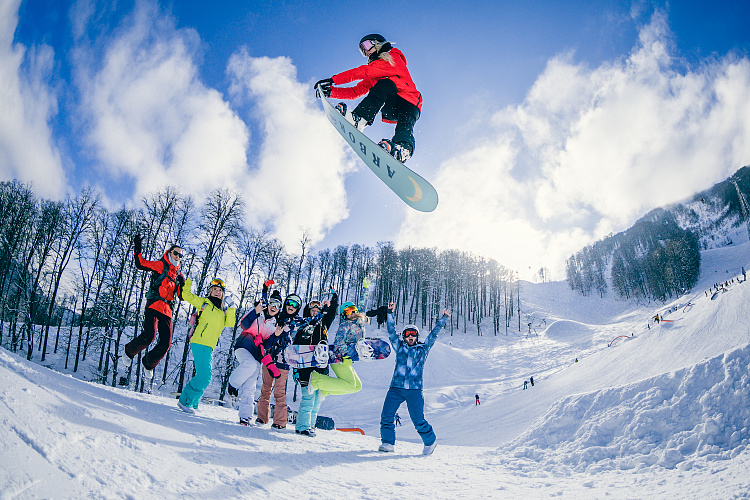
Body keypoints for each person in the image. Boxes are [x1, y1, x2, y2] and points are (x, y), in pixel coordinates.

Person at [315, 34, 422, 164]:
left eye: (366, 45)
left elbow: (363, 71)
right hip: (392, 105)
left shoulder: (393, 58)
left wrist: (334, 80)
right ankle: (360, 120)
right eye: (362, 50)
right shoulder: (374, 74)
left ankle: (402, 150)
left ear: (378, 43)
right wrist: (331, 92)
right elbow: (355, 91)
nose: (365, 51)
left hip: (410, 103)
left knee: (404, 126)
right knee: (383, 85)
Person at [379, 302, 450, 456]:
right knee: (387, 415)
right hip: (396, 388)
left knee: (418, 420)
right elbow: (391, 331)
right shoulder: (400, 348)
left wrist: (443, 318)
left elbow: (433, 335)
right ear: (404, 337)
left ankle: (430, 441)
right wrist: (389, 314)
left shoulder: (423, 349)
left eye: (413, 334)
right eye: (407, 334)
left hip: (414, 390)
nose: (410, 336)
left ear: (417, 336)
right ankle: (387, 443)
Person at [121, 235, 184, 383]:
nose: (178, 256)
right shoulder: (160, 265)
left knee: (166, 344)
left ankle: (148, 364)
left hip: (167, 310)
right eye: (176, 253)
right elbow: (140, 263)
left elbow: (181, 296)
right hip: (154, 304)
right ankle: (129, 351)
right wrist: (137, 246)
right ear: (169, 253)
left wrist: (183, 283)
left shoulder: (178, 275)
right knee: (149, 335)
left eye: (180, 255)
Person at [177, 278, 236, 414]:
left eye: (220, 290)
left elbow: (230, 323)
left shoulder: (222, 311)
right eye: (214, 289)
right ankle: (185, 401)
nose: (217, 292)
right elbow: (186, 296)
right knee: (205, 375)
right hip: (199, 341)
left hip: (209, 346)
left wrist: (231, 307)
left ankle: (193, 403)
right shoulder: (204, 302)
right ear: (210, 291)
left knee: (206, 375)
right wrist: (189, 282)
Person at [229, 289, 282, 426]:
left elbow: (267, 345)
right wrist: (256, 311)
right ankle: (232, 384)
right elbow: (243, 324)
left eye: (277, 306)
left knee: (250, 386)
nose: (274, 307)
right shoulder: (258, 314)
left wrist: (275, 335)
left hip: (257, 354)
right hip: (244, 346)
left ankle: (245, 417)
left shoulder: (274, 324)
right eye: (272, 303)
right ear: (268, 304)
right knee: (250, 364)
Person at [291, 294, 338, 437]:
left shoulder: (323, 324)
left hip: (320, 366)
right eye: (312, 309)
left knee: (317, 398)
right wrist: (296, 368)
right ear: (308, 311)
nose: (315, 312)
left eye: (318, 309)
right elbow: (295, 347)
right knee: (308, 397)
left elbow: (331, 314)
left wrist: (333, 302)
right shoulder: (303, 325)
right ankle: (302, 426)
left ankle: (310, 425)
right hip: (306, 367)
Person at [256, 287, 298, 430]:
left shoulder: (297, 321)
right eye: (289, 303)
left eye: (295, 305)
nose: (291, 307)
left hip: (283, 361)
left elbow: (313, 320)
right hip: (269, 358)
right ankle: (262, 418)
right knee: (265, 389)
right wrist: (266, 290)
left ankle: (280, 422)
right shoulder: (277, 317)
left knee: (279, 392)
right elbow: (266, 306)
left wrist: (326, 310)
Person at [308, 301, 366, 397]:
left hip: (346, 359)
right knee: (351, 385)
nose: (352, 313)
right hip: (339, 358)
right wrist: (346, 355)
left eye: (353, 310)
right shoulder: (345, 325)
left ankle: (325, 391)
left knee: (357, 387)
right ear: (344, 315)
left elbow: (363, 304)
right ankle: (316, 379)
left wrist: (366, 288)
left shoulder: (359, 323)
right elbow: (338, 342)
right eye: (348, 311)